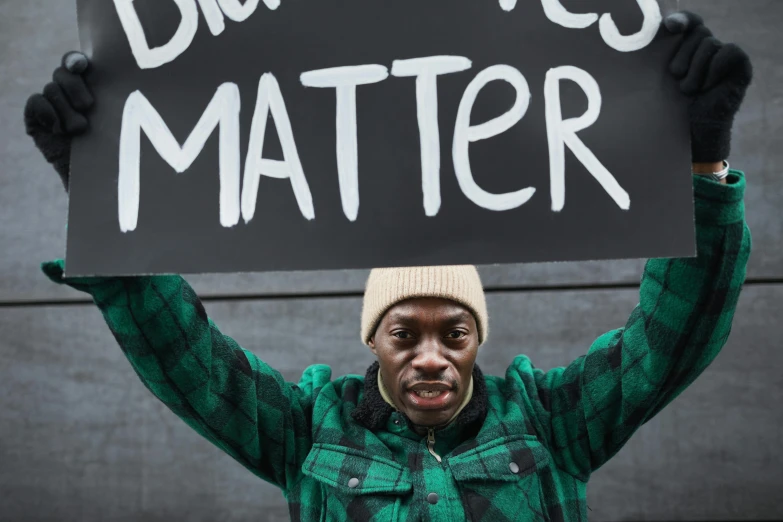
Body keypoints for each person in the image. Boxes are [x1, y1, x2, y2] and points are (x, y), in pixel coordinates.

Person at [24, 11, 753, 522]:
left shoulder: (550, 422)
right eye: (405, 334)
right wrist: (100, 191)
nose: (431, 357)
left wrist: (698, 161)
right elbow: (184, 358)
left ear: (479, 338)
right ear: (372, 338)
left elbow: (670, 339)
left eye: (455, 333)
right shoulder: (305, 430)